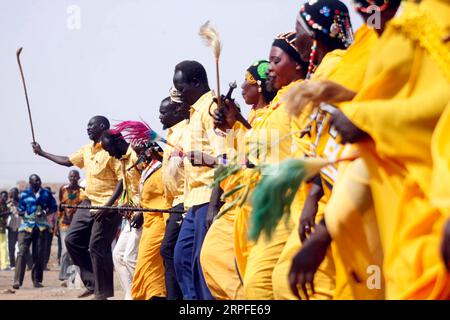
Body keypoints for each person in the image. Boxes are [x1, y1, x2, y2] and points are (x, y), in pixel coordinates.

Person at [200, 60, 276, 300]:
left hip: (255, 199)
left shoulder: (270, 117)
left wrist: (210, 160)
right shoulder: (252, 116)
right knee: (212, 258)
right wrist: (230, 123)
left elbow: (255, 157)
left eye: (249, 82)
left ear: (261, 87)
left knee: (236, 265)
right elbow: (234, 151)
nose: (242, 87)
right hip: (235, 199)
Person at [31, 115, 123, 300]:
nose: (87, 128)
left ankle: (103, 291)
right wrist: (42, 152)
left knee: (97, 245)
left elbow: (122, 180)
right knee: (72, 240)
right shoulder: (87, 149)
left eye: (91, 125)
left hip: (108, 205)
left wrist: (108, 206)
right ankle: (92, 283)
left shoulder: (111, 148)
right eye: (87, 125)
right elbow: (67, 161)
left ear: (102, 126)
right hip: (88, 202)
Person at [172, 60, 229, 300]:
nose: (178, 93)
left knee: (201, 263)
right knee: (181, 258)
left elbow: (225, 159)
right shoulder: (194, 113)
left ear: (196, 83)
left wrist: (214, 205)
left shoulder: (212, 110)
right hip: (192, 201)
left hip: (209, 197)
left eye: (181, 87)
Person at [100, 129, 141, 300]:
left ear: (118, 143)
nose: (110, 154)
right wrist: (123, 204)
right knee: (117, 255)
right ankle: (130, 294)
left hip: (143, 214)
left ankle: (141, 294)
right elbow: (128, 188)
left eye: (109, 150)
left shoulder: (137, 156)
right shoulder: (123, 160)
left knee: (131, 258)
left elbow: (148, 186)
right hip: (131, 215)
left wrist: (139, 209)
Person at [159, 94, 190, 300]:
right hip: (173, 202)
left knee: (170, 250)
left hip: (185, 200)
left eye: (164, 112)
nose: (160, 116)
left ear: (177, 112)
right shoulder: (171, 134)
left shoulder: (185, 132)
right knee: (173, 253)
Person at [13, 174, 57, 289]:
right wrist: (25, 213)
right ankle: (17, 281)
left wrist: (44, 212)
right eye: (35, 181)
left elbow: (54, 207)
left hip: (41, 227)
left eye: (39, 180)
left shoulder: (46, 194)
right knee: (21, 252)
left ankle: (37, 280)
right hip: (26, 227)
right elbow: (20, 210)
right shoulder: (25, 194)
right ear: (30, 182)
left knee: (38, 254)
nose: (38, 182)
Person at [57, 170, 83, 286]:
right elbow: (60, 206)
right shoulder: (63, 189)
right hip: (64, 224)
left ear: (78, 177)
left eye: (75, 176)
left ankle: (73, 276)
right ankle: (63, 277)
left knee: (73, 250)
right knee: (65, 251)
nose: (73, 178)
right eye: (71, 176)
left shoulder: (82, 191)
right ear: (68, 177)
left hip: (77, 224)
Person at [6, 188, 21, 270]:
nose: (13, 195)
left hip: (20, 228)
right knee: (11, 247)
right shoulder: (8, 204)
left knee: (21, 248)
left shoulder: (21, 203)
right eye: (12, 193)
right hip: (11, 228)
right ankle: (12, 265)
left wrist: (16, 203)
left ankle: (21, 264)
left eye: (15, 193)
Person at [0, 191, 9, 270]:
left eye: (6, 196)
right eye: (3, 196)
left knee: (3, 247)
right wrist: (7, 212)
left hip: (2, 228)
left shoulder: (5, 204)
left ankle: (4, 265)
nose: (5, 198)